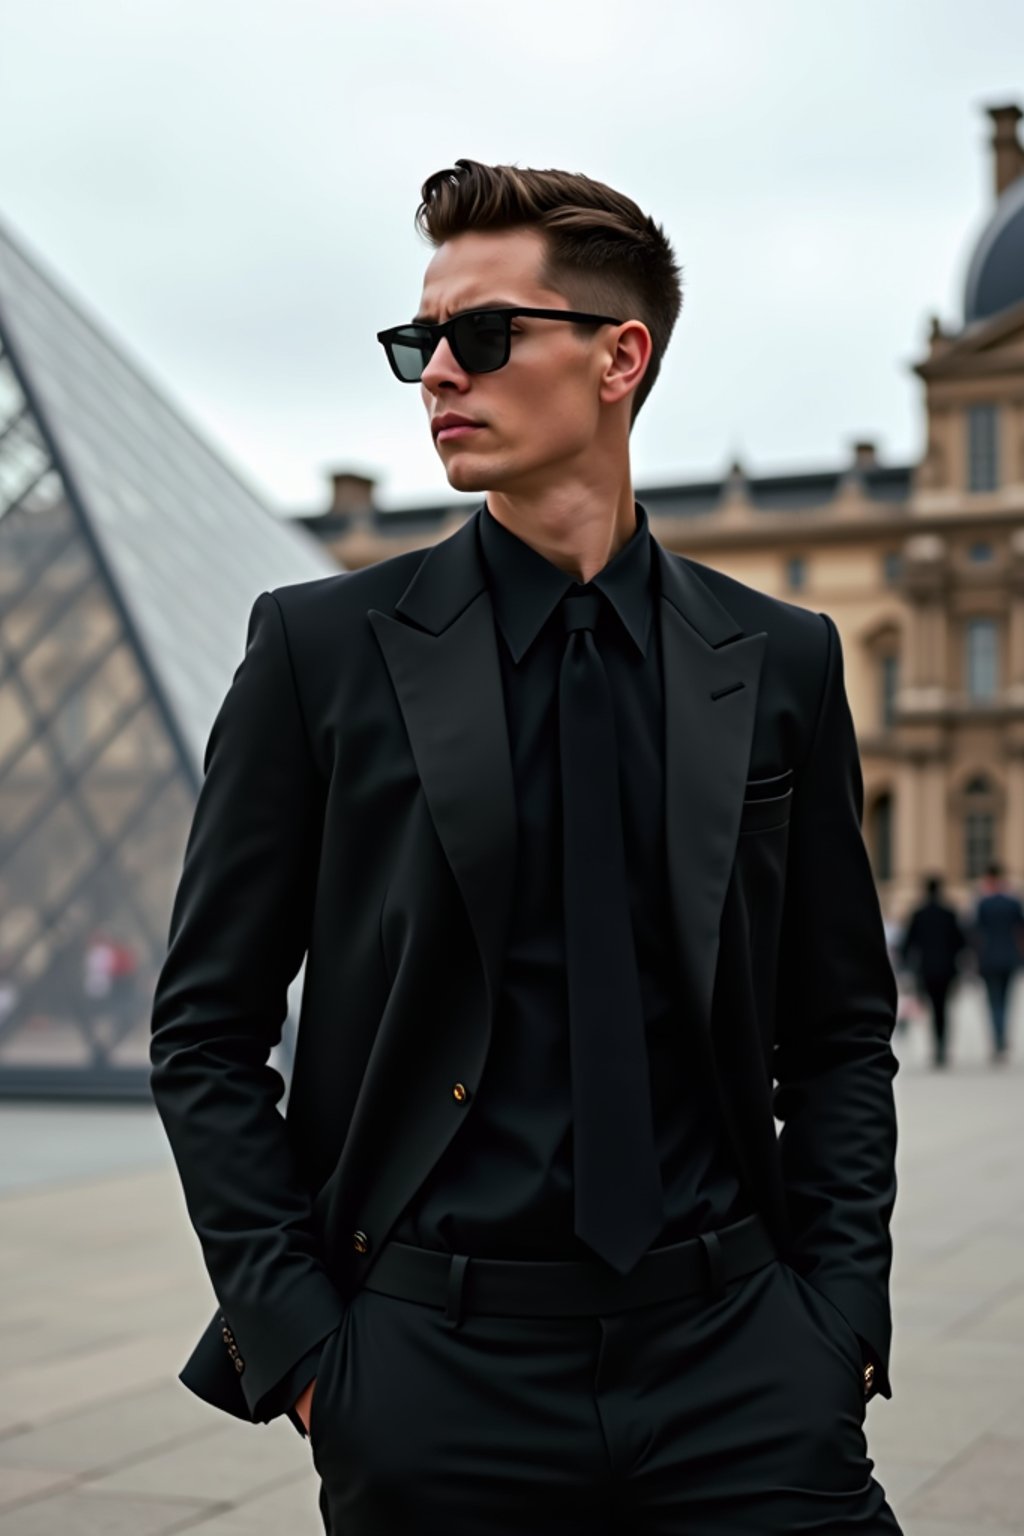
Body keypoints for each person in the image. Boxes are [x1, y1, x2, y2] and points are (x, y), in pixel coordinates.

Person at [149, 159, 902, 1535]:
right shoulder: (321, 655)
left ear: (622, 357)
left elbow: (842, 1028)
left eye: (481, 336)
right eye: (417, 342)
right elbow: (204, 1029)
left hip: (741, 1358)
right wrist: (313, 1353)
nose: (437, 372)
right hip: (433, 1373)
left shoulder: (781, 660)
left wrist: (842, 1315)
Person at [899, 873, 969, 1066]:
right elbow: (960, 942)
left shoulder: (918, 914)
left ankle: (936, 1046)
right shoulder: (949, 913)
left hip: (926, 969)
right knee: (943, 1008)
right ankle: (942, 1047)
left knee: (930, 1007)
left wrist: (905, 966)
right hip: (947, 969)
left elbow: (908, 943)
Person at [970, 861, 1024, 1064]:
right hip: (1009, 957)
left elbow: (975, 933)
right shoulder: (1013, 902)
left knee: (994, 1002)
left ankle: (998, 1039)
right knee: (1007, 1001)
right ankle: (1002, 1038)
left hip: (989, 958)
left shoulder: (983, 903)